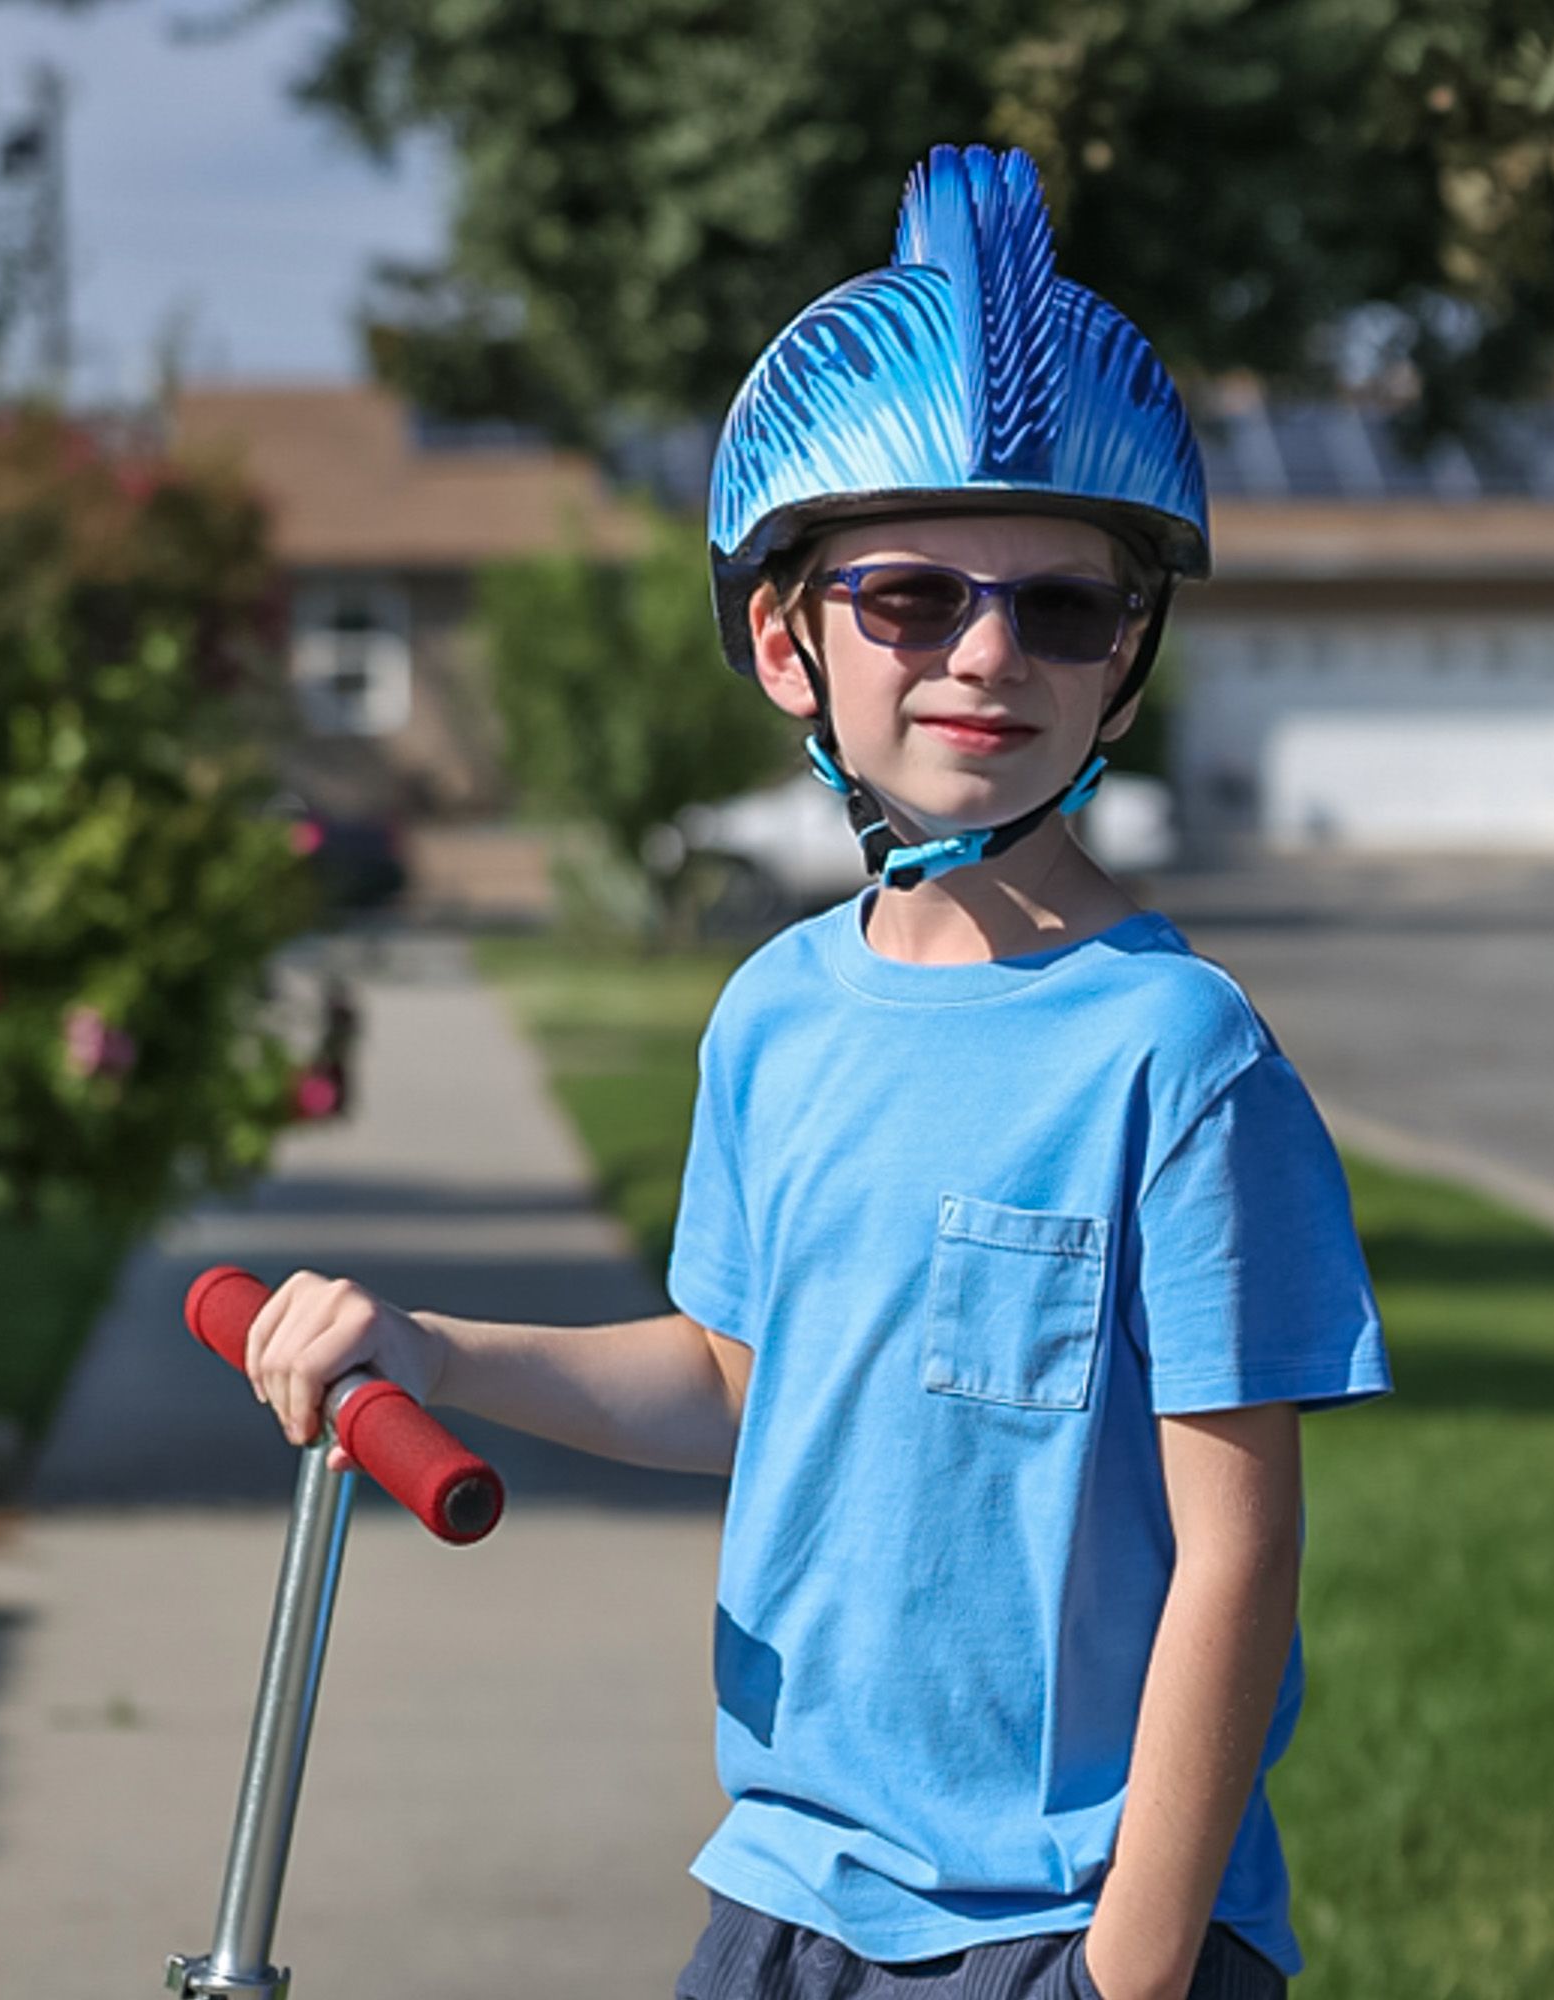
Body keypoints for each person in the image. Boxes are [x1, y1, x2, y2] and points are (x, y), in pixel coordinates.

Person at [243, 144, 1391, 2000]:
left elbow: (1235, 1558)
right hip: (785, 1896)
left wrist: (1139, 1964)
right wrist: (434, 1354)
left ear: (1127, 660)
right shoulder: (775, 1012)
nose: (989, 655)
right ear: (789, 638)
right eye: (913, 598)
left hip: (1058, 1924)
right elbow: (730, 1383)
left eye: (1065, 607)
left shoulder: (1176, 1058)